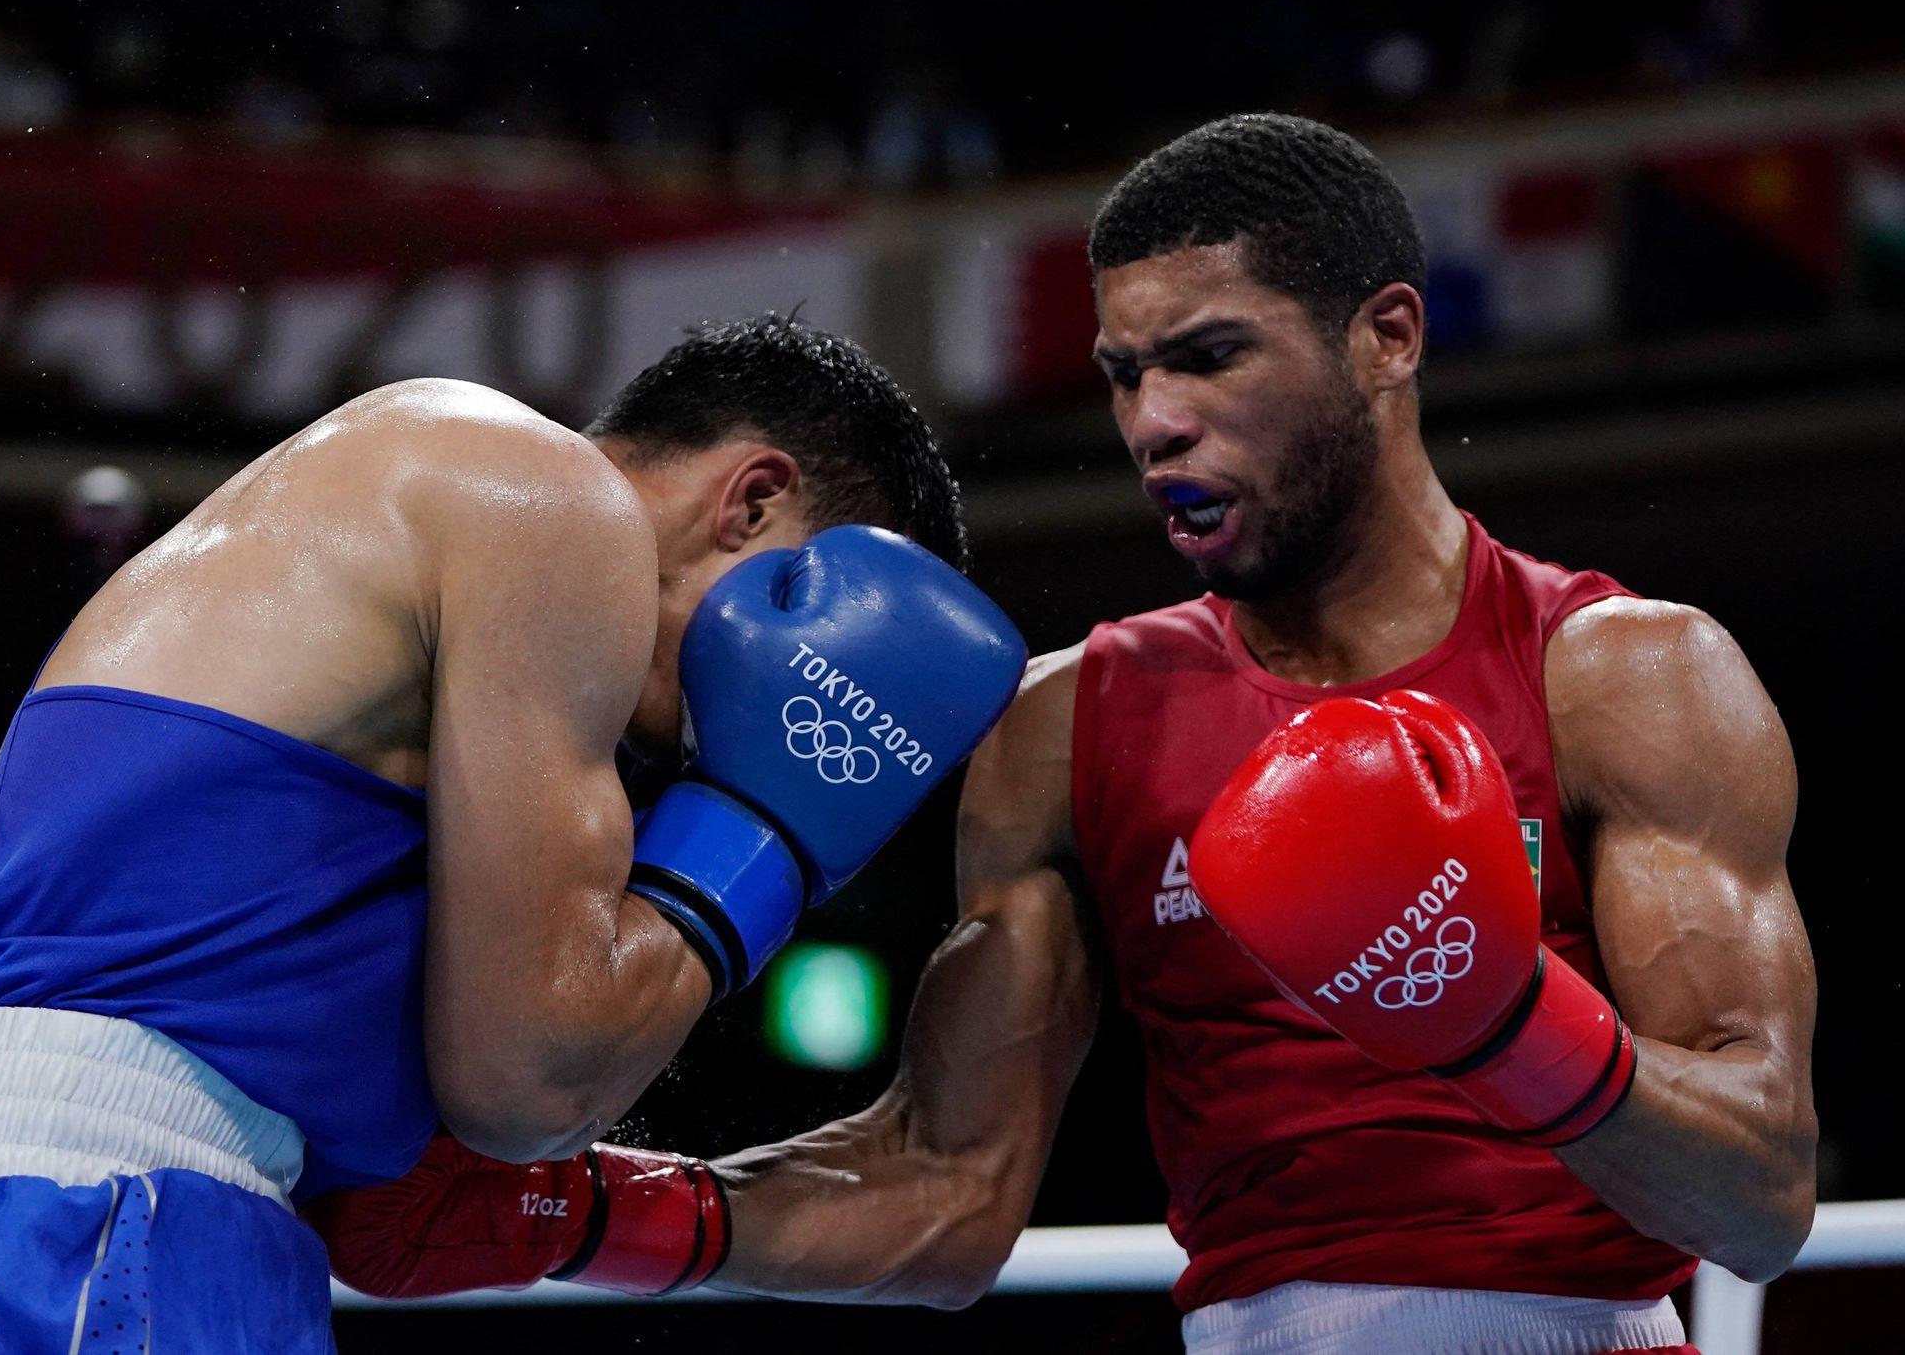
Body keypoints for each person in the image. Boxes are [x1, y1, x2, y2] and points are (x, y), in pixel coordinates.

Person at [317, 117, 1817, 1354]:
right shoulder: (1069, 719)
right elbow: (949, 1193)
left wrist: (1500, 1015)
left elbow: (1760, 1196)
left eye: (1212, 356)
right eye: (1124, 374)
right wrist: (578, 1213)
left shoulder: (1625, 678)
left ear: (1388, 339)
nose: (1154, 420)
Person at [0, 314, 1025, 1354]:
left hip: (107, 1206)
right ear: (752, 501)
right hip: (90, 1217)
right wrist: (769, 835)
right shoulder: (549, 499)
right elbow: (532, 1084)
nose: (730, 730)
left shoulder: (399, 541)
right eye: (814, 635)